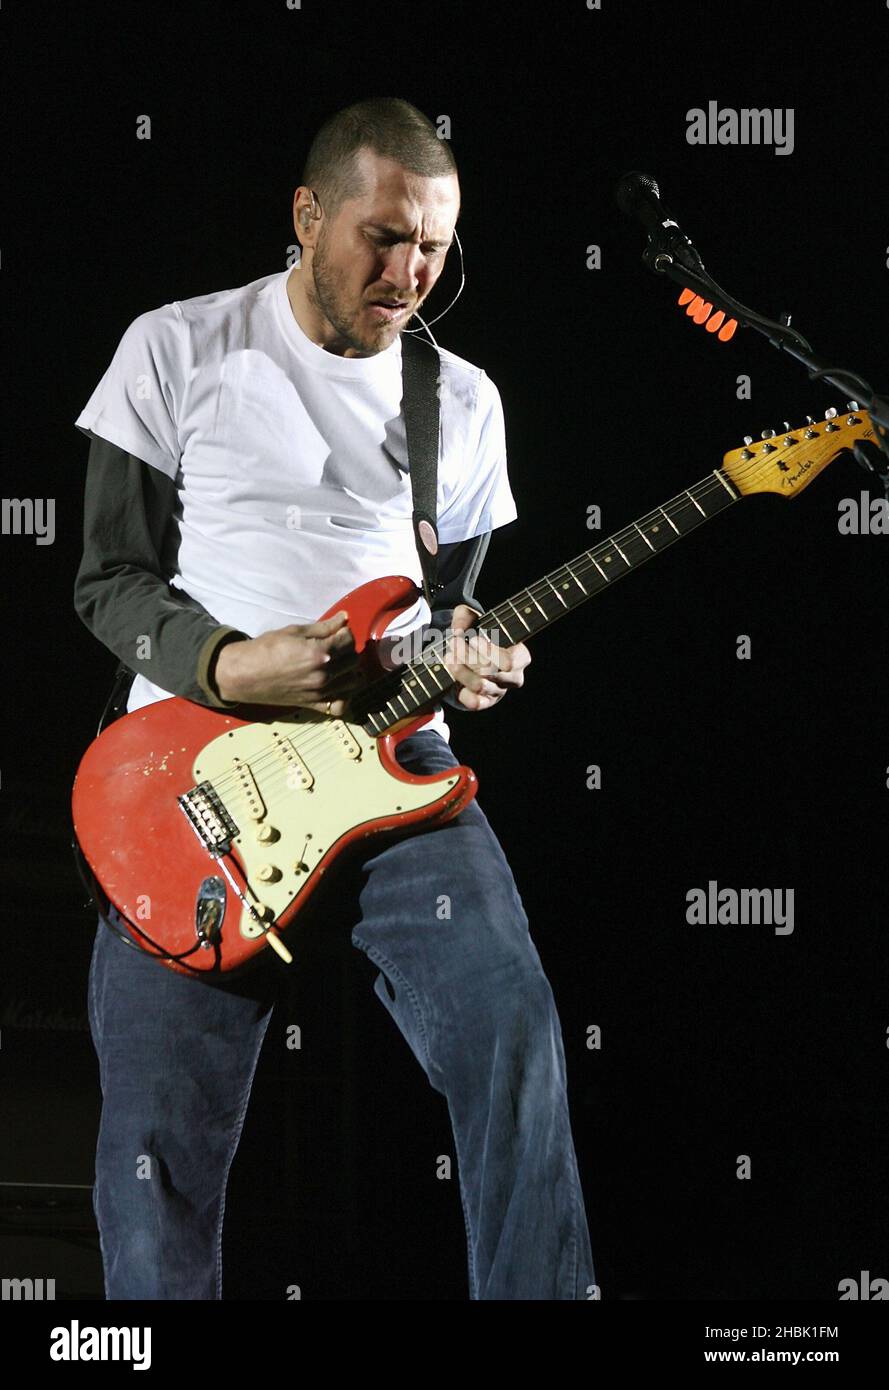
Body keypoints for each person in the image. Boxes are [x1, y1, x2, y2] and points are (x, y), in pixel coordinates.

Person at [73, 96, 596, 1300]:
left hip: (396, 772)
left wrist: (473, 654)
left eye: (434, 247)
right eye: (385, 236)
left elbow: (450, 609)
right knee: (158, 1155)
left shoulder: (462, 401)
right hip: (196, 786)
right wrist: (227, 663)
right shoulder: (178, 346)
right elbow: (106, 577)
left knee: (512, 1038)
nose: (411, 270)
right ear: (308, 216)